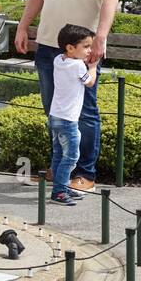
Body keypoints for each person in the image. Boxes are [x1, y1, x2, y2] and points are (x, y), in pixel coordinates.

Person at [14, 0, 118, 191]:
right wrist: (23, 26)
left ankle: (85, 173)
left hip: (82, 49)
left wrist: (100, 38)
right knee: (55, 112)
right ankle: (61, 170)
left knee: (84, 112)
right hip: (48, 44)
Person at [48, 24, 99, 206]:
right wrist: (92, 66)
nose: (89, 50)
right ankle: (59, 192)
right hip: (69, 120)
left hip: (55, 116)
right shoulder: (78, 66)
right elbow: (90, 82)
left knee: (58, 154)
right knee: (71, 156)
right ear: (70, 48)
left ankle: (61, 185)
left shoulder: (58, 60)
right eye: (85, 47)